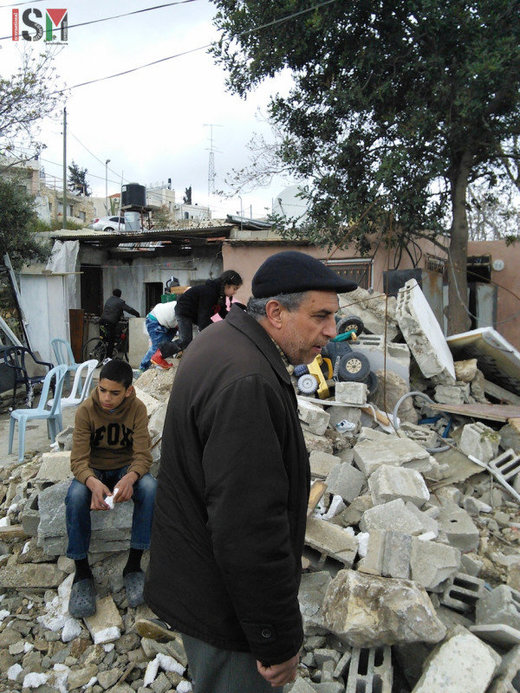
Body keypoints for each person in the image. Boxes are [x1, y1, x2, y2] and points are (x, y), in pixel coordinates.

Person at [141, 251, 357, 693]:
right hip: (224, 607)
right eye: (320, 316)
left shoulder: (227, 344)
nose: (332, 331)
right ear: (275, 312)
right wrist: (273, 639)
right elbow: (249, 527)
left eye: (334, 317)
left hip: (205, 587)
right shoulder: (248, 380)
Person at [65, 359, 157, 618]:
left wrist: (131, 477)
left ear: (128, 390)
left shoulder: (137, 409)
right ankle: (82, 573)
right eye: (102, 390)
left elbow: (143, 455)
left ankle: (133, 566)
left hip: (124, 468)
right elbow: (78, 460)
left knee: (150, 488)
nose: (106, 397)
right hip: (94, 470)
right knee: (74, 496)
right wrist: (92, 482)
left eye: (114, 392)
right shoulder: (86, 410)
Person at [172, 269, 243, 351]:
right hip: (184, 311)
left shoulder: (220, 295)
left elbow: (222, 312)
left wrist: (235, 319)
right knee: (185, 341)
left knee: (203, 334)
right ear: (227, 285)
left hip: (195, 313)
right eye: (235, 289)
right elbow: (203, 320)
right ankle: (160, 353)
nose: (235, 292)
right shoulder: (209, 293)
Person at [99, 289, 140, 358]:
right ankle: (108, 358)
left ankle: (101, 358)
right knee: (111, 340)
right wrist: (137, 314)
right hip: (110, 323)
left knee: (104, 339)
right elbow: (129, 309)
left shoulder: (109, 300)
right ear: (120, 295)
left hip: (102, 321)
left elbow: (113, 310)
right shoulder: (120, 302)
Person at [139, 300, 178, 371]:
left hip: (168, 323)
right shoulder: (185, 306)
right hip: (155, 320)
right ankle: (142, 368)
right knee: (157, 347)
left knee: (165, 346)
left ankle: (159, 362)